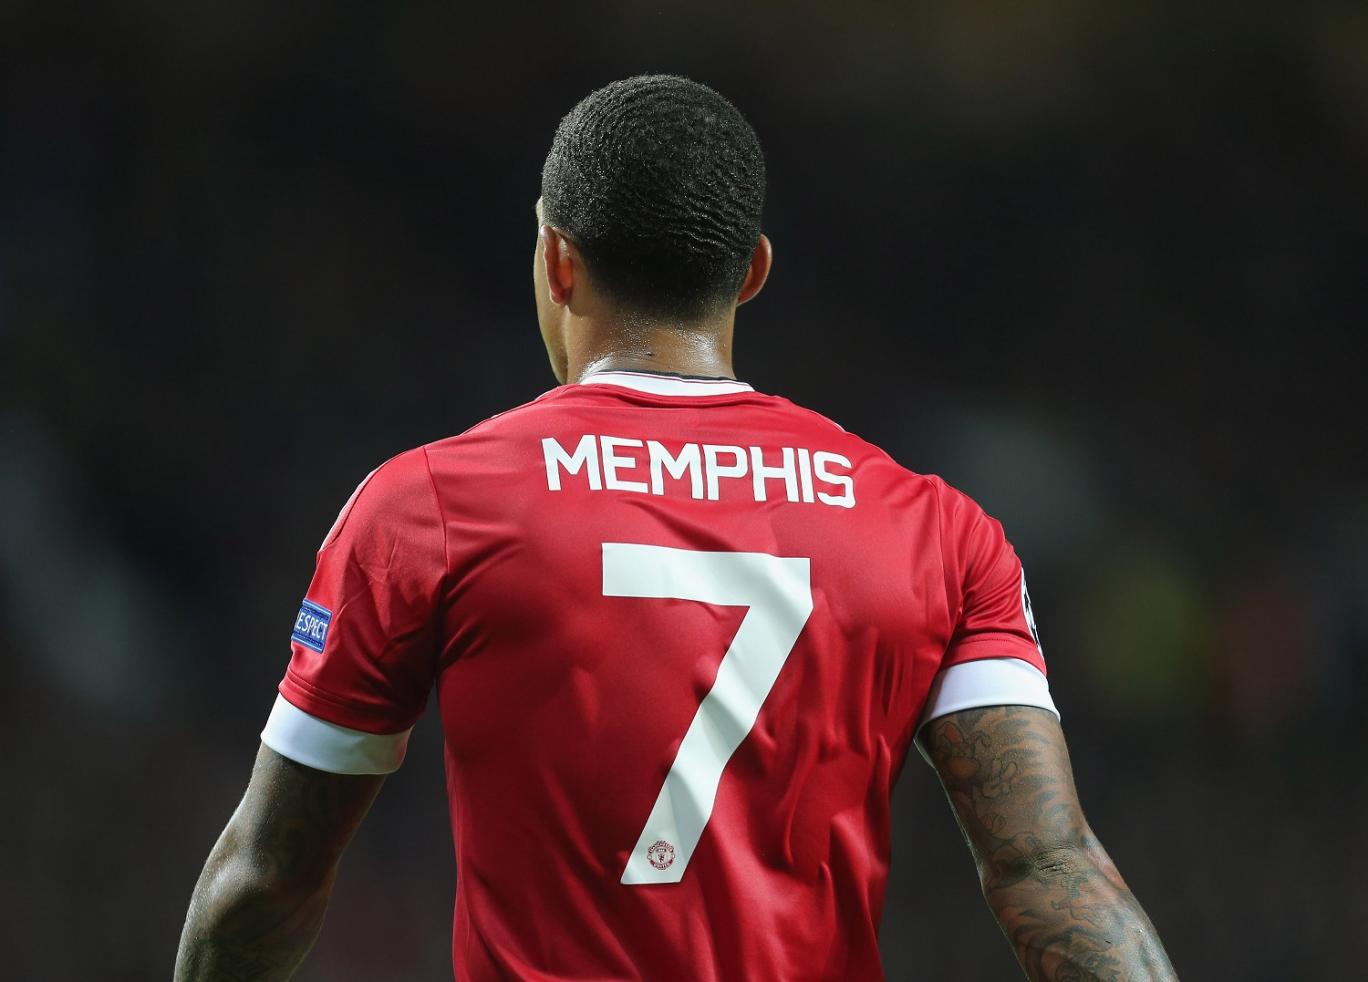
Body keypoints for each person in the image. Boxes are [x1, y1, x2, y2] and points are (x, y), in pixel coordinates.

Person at [175, 74, 1176, 981]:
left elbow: (267, 879)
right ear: (753, 271)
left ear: (558, 263)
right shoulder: (939, 533)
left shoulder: (428, 508)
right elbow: (1052, 872)